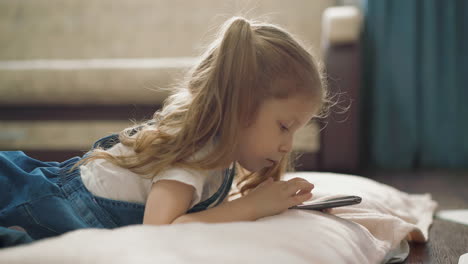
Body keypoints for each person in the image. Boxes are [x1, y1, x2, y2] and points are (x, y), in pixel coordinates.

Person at [0, 16, 328, 247]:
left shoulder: (218, 155)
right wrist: (251, 207)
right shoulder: (196, 150)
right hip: (47, 203)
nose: (287, 145)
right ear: (240, 105)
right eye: (284, 127)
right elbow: (160, 230)